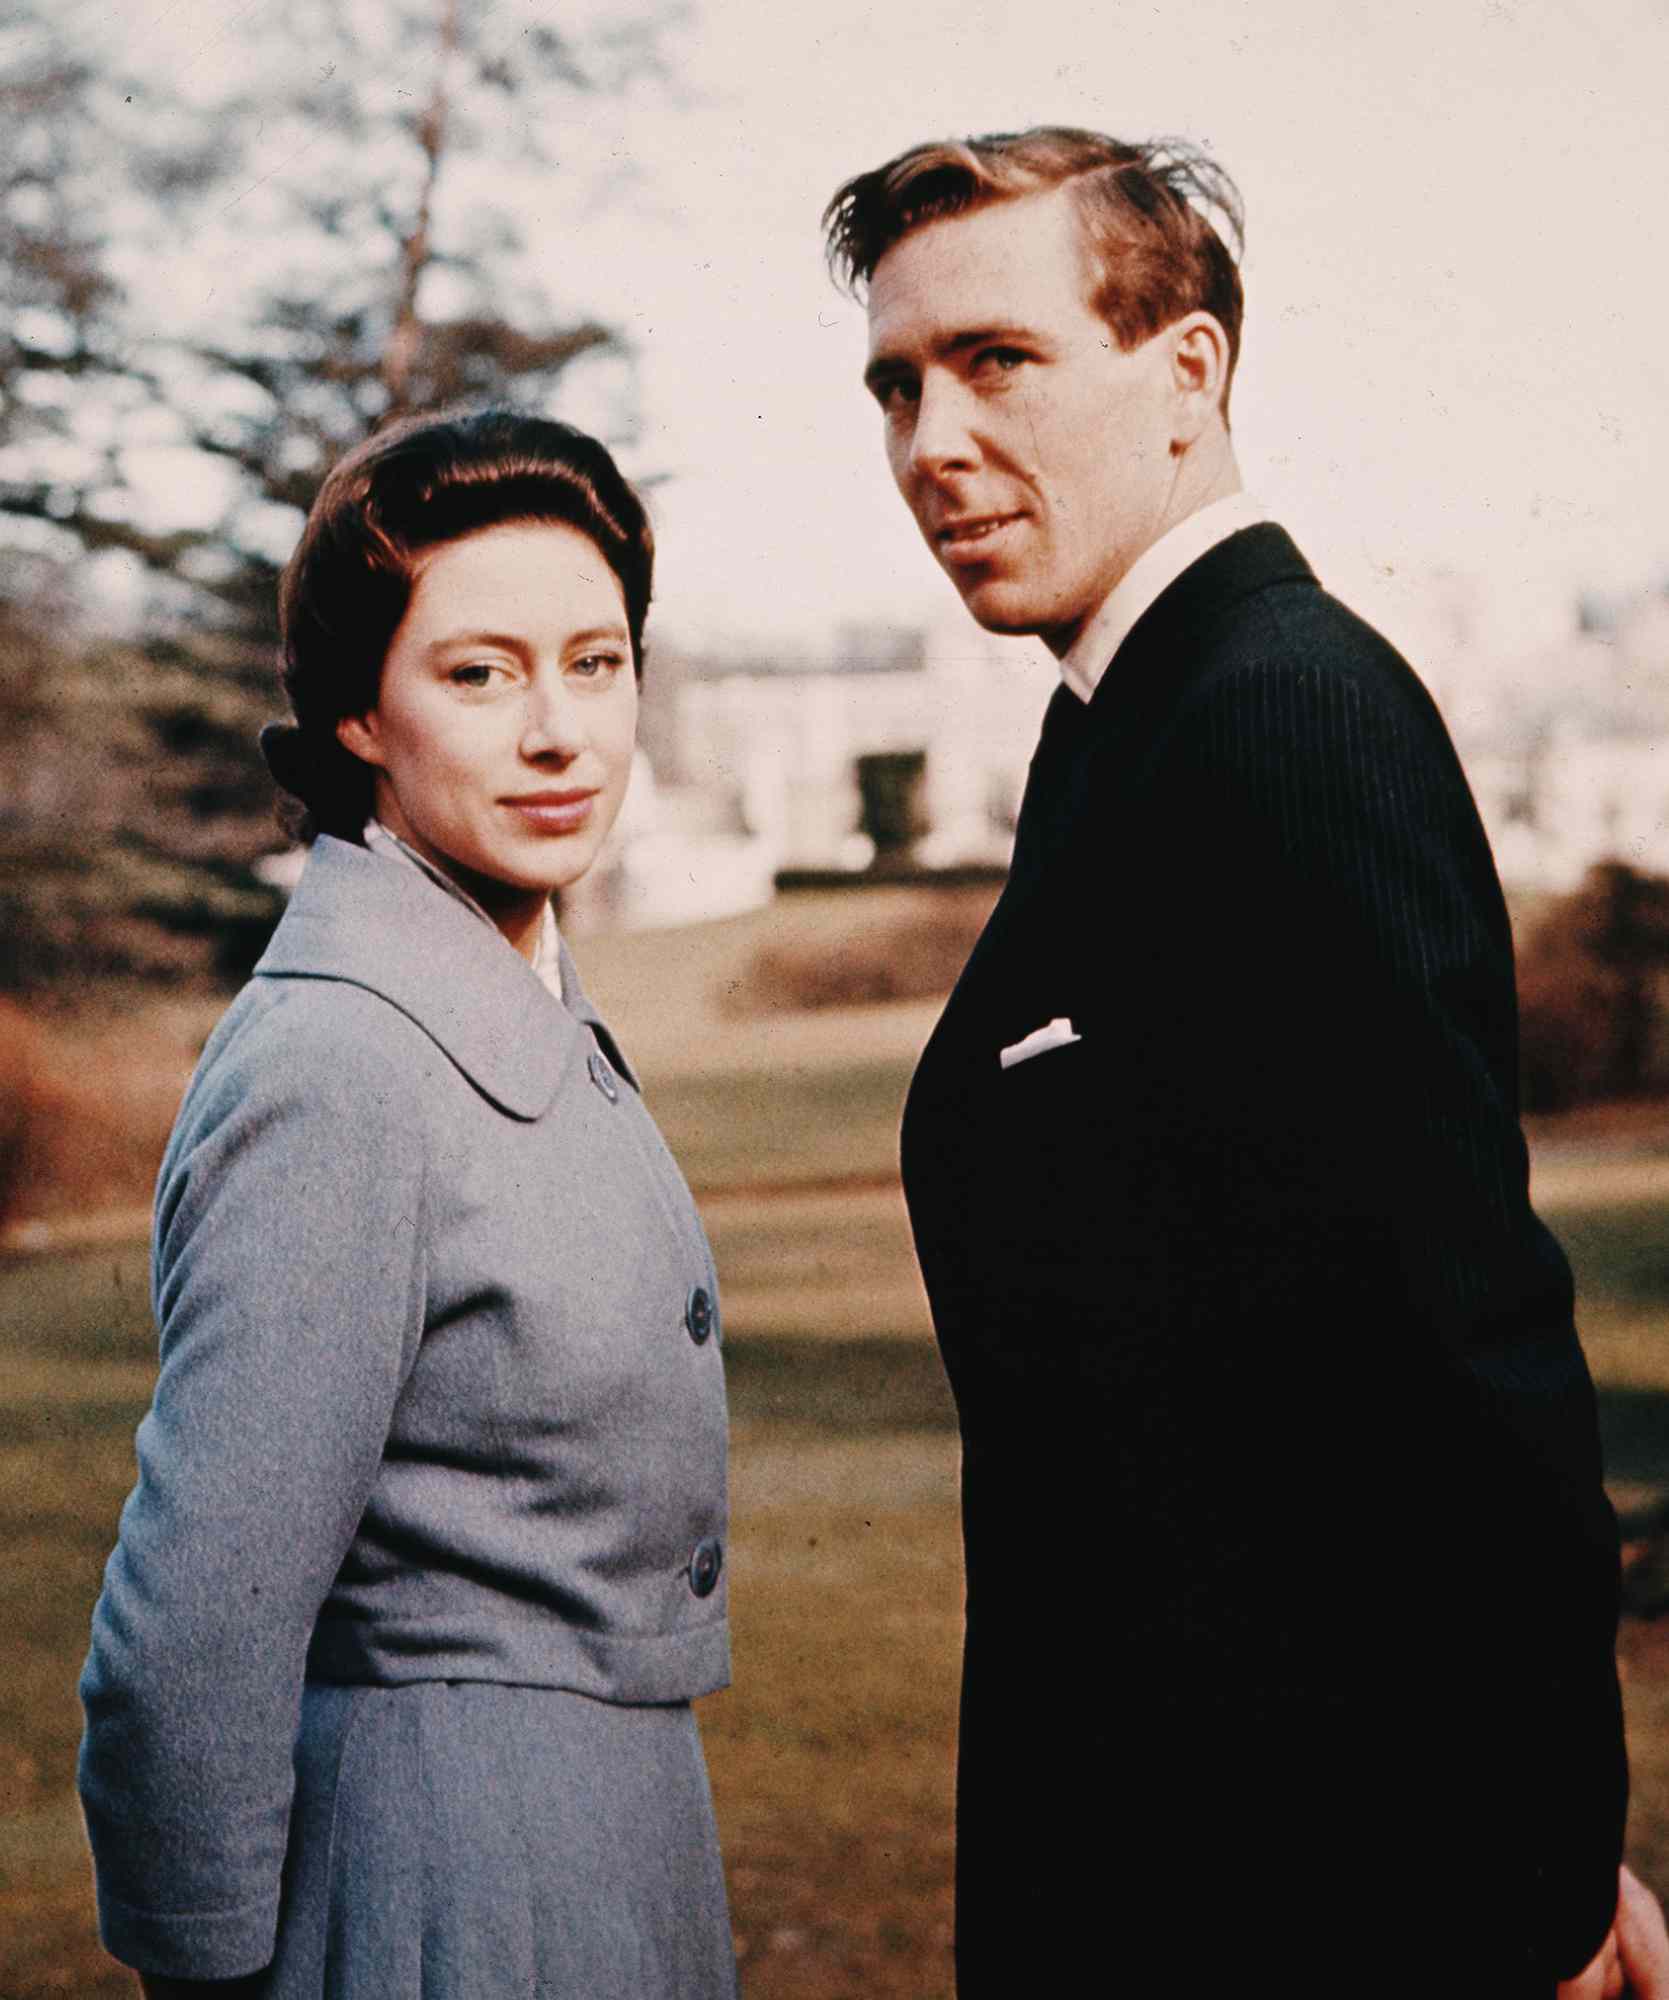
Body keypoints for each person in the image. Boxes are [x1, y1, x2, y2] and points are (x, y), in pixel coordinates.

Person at [823, 128, 1669, 1996]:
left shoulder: (1281, 719)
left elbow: (1464, 1350)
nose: (929, 446)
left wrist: (1528, 1881)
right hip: (1167, 1855)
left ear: (1185, 369)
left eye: (996, 362)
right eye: (895, 385)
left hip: (1310, 1888)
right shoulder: (1126, 726)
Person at [78, 409, 737, 2000]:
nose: (559, 731)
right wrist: (219, 1971)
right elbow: (187, 1642)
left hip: (607, 1860)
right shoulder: (341, 1064)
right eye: (480, 673)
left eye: (595, 663)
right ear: (359, 716)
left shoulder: (516, 1001)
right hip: (440, 1889)